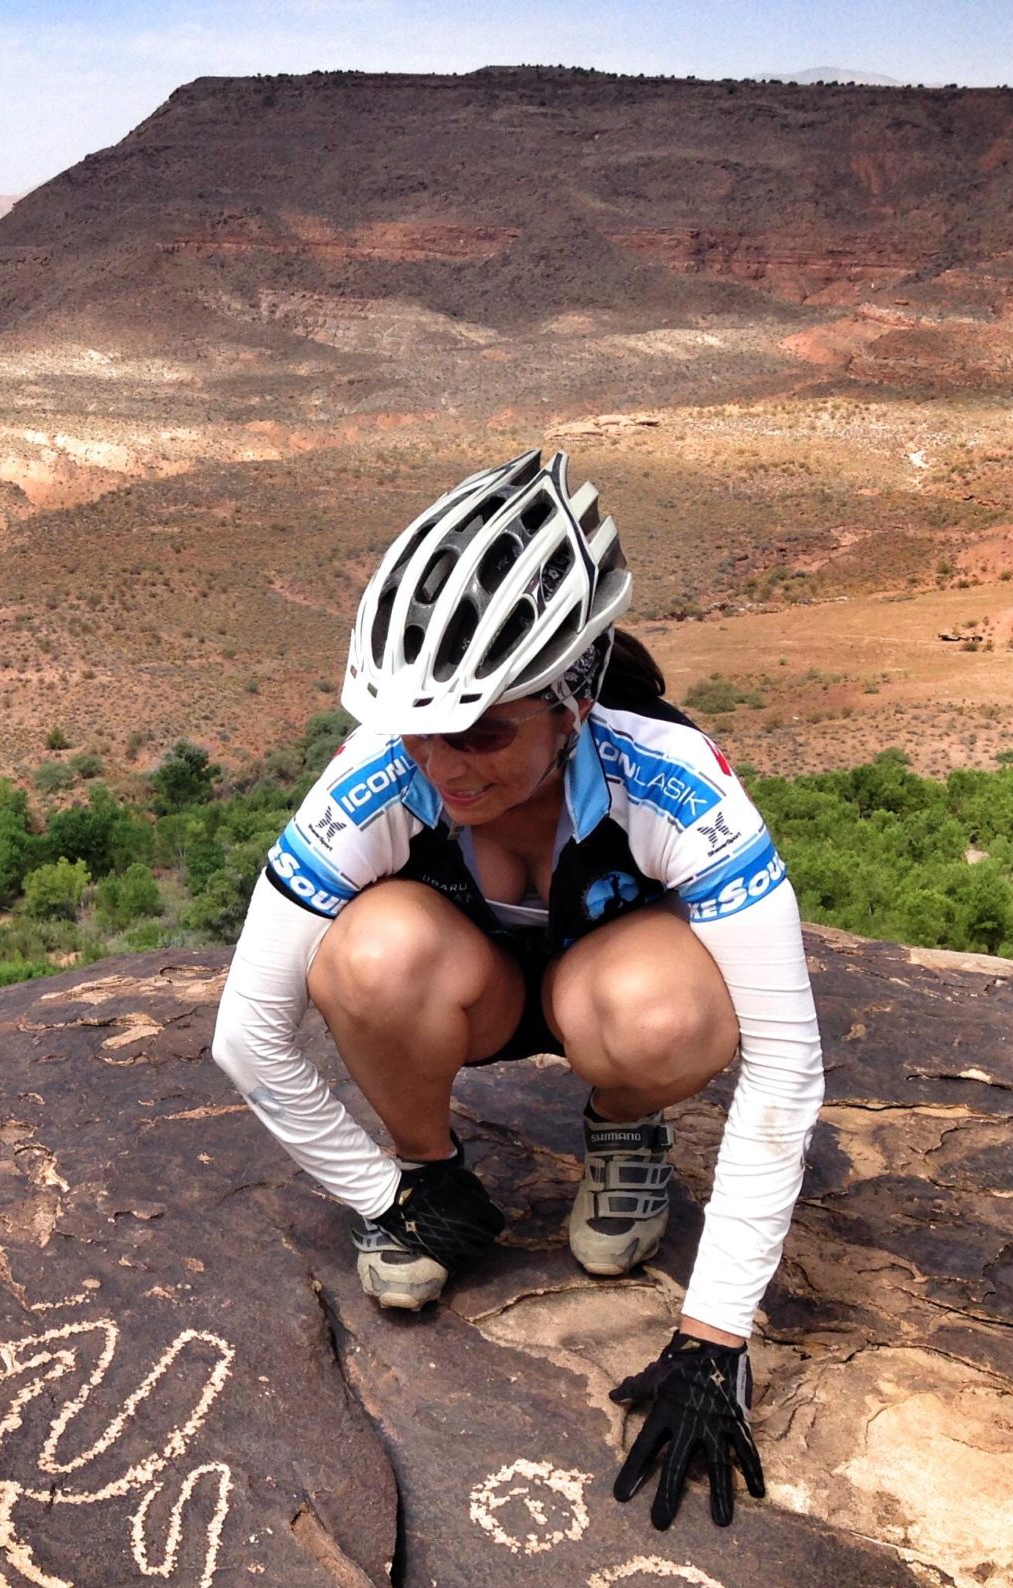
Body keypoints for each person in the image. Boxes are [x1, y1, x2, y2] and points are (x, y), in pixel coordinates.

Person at [210, 451, 824, 1530]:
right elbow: (249, 1035)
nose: (446, 768)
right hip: (467, 991)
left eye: (487, 731)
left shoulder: (676, 781)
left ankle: (624, 1127)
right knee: (365, 953)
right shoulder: (375, 779)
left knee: (662, 1014)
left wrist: (714, 1335)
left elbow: (784, 1066)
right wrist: (380, 1191)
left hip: (612, 987)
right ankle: (430, 1171)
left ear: (571, 703)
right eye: (421, 731)